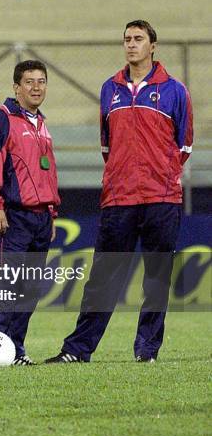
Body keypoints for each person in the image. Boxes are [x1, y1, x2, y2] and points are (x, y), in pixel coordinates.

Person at [45, 20, 194, 364]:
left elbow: (184, 144)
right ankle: (78, 350)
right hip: (119, 199)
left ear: (153, 46)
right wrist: (121, 175)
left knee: (156, 280)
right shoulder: (108, 89)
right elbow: (106, 145)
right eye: (127, 39)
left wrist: (164, 175)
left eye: (138, 39)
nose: (131, 44)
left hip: (161, 198)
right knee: (102, 279)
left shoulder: (174, 90)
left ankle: (147, 351)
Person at [0, 60, 60, 365]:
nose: (36, 87)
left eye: (41, 81)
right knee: (8, 285)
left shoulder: (40, 123)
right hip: (12, 215)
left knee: (29, 289)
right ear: (16, 87)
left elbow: (45, 173)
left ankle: (16, 350)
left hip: (40, 218)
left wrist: (51, 212)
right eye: (29, 82)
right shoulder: (1, 119)